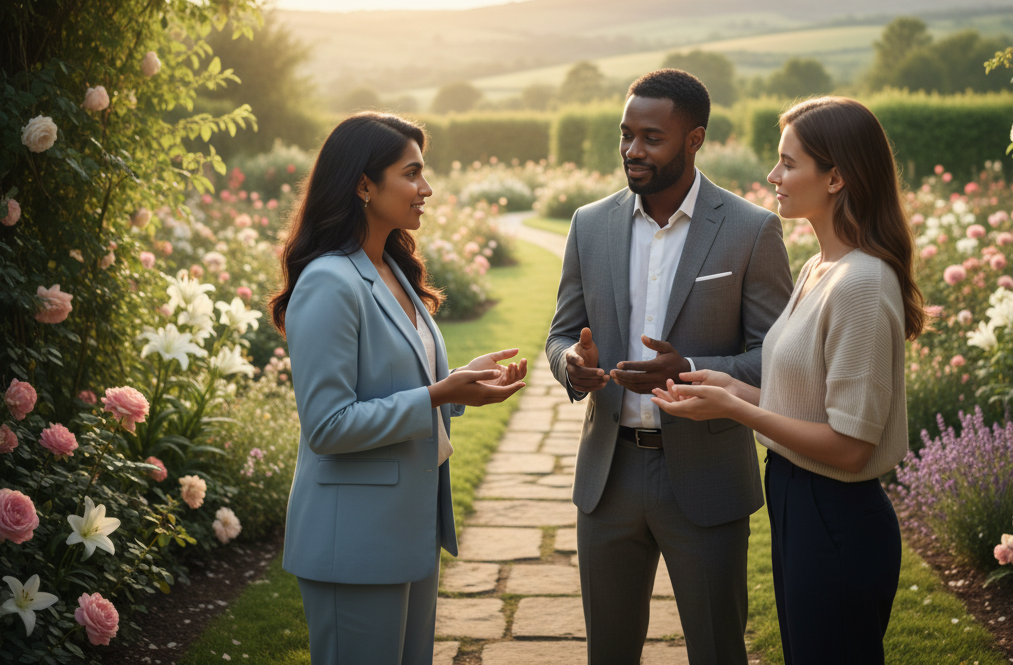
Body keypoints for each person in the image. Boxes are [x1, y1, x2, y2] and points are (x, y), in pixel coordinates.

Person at [653, 96, 925, 665]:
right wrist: (728, 389)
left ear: (837, 176)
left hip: (837, 516)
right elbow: (807, 406)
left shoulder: (861, 284)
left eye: (788, 163)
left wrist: (736, 411)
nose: (773, 176)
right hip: (799, 501)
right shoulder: (819, 268)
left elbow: (850, 447)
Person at [546, 69, 793, 665]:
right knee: (608, 652)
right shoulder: (590, 223)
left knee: (716, 649)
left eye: (651, 138)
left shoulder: (751, 230)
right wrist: (572, 365)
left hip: (706, 478)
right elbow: (559, 334)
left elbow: (778, 359)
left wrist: (690, 371)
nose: (633, 151)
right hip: (608, 478)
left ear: (694, 139)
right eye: (626, 134)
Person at [269, 113, 527, 665]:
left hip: (406, 535)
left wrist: (458, 387)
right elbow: (327, 426)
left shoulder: (390, 267)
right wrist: (437, 395)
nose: (426, 189)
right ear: (364, 184)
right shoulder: (329, 281)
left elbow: (398, 383)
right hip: (355, 544)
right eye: (412, 173)